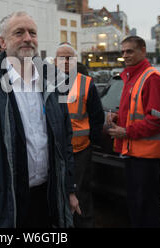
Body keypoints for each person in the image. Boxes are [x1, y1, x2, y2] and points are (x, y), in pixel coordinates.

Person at [0, 11, 79, 228]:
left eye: (32, 33)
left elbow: (64, 141)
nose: (28, 38)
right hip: (2, 204)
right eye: (19, 32)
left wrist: (69, 189)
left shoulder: (53, 82)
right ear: (2, 42)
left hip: (46, 199)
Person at [106, 35, 160, 228]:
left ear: (143, 51)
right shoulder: (131, 76)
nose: (125, 55)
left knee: (146, 206)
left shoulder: (152, 78)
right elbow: (137, 112)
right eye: (123, 52)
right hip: (133, 152)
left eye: (130, 51)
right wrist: (118, 117)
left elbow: (156, 120)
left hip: (146, 155)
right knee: (136, 204)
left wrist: (126, 131)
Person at [55, 42, 104, 228]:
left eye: (69, 57)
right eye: (61, 58)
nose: (65, 61)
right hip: (57, 150)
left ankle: (84, 224)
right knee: (60, 192)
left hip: (80, 150)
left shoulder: (86, 83)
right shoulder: (47, 83)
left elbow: (97, 116)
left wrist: (92, 143)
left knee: (81, 193)